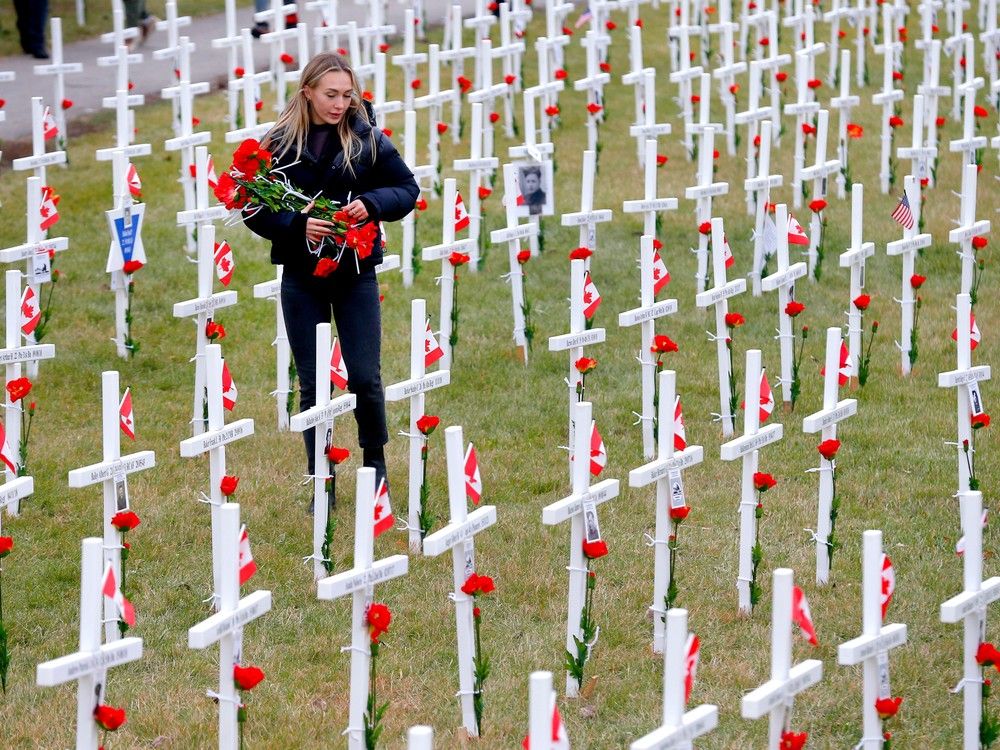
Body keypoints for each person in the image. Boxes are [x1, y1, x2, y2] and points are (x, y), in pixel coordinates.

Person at [243, 52, 419, 504]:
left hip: (355, 274)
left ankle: (375, 467)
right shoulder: (279, 142)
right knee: (313, 383)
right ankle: (322, 478)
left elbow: (407, 190)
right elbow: (252, 205)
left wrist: (374, 202)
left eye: (347, 95)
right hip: (301, 277)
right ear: (308, 92)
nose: (340, 104)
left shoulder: (369, 140)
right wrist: (295, 225)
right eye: (330, 95)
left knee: (365, 376)